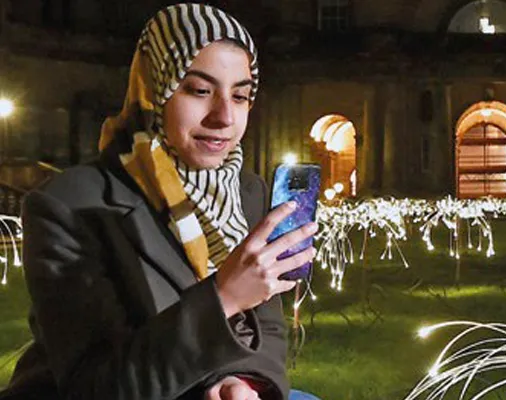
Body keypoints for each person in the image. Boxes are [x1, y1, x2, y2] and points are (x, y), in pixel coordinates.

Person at [0, 4, 319, 400]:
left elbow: (268, 329)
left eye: (240, 96)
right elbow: (94, 386)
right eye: (200, 91)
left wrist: (245, 383)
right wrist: (224, 298)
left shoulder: (247, 193)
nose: (224, 117)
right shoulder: (70, 204)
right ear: (153, 91)